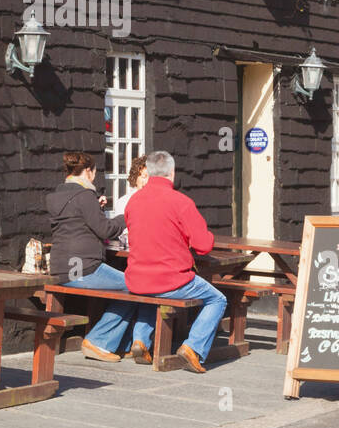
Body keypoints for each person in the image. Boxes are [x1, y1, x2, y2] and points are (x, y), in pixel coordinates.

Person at [124, 150, 228, 373]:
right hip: (171, 280)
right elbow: (203, 245)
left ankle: (140, 341)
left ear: (148, 172)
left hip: (137, 278)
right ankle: (193, 348)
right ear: (172, 172)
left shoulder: (133, 201)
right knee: (217, 299)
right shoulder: (181, 202)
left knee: (150, 294)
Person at [45, 151, 154, 364]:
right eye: (94, 172)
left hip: (60, 267)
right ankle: (99, 341)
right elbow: (105, 230)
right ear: (88, 171)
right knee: (138, 285)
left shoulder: (56, 195)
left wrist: (96, 208)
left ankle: (120, 344)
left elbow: (75, 222)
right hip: (83, 269)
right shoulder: (85, 196)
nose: (95, 177)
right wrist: (126, 217)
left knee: (130, 286)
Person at [109, 154, 148, 250]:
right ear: (135, 177)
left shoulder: (159, 201)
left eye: (151, 177)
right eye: (144, 176)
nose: (147, 181)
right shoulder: (124, 201)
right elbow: (123, 233)